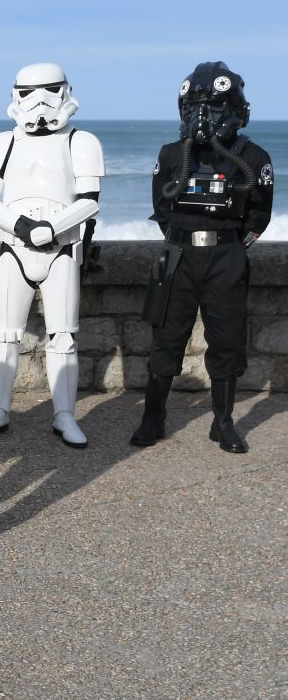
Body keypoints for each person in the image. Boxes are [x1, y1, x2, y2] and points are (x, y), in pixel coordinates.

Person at [131, 62, 273, 454]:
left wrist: (227, 245)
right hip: (178, 255)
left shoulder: (254, 157)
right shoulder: (172, 154)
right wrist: (185, 238)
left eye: (212, 108)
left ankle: (223, 423)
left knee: (227, 340)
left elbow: (260, 213)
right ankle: (152, 418)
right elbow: (161, 208)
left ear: (233, 110)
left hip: (225, 257)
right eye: (196, 108)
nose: (202, 118)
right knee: (167, 337)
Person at [0, 63, 103, 448]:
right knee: (4, 335)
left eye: (49, 90)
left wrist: (52, 228)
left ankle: (64, 414)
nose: (39, 101)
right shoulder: (2, 143)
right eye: (29, 92)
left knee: (63, 337)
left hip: (61, 250)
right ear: (15, 95)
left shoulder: (82, 142)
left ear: (65, 91)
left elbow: (90, 200)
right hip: (14, 248)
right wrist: (24, 227)